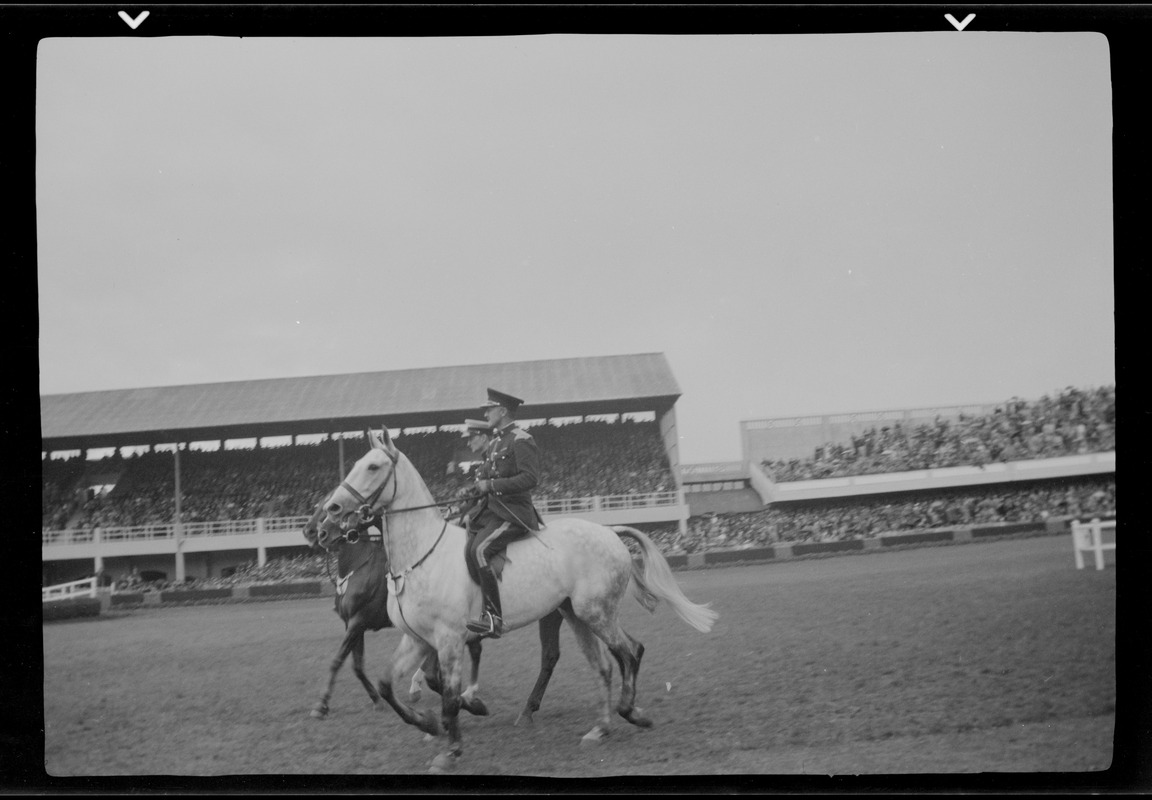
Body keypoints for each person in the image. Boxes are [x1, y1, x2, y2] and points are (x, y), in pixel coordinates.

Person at [465, 388, 545, 638]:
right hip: (494, 511)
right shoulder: (497, 442)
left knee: (479, 550)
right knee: (468, 546)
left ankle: (494, 619)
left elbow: (530, 478)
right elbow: (487, 478)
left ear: (502, 411)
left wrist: (491, 486)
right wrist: (472, 491)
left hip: (515, 513)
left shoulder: (522, 439)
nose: (486, 413)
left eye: (489, 409)